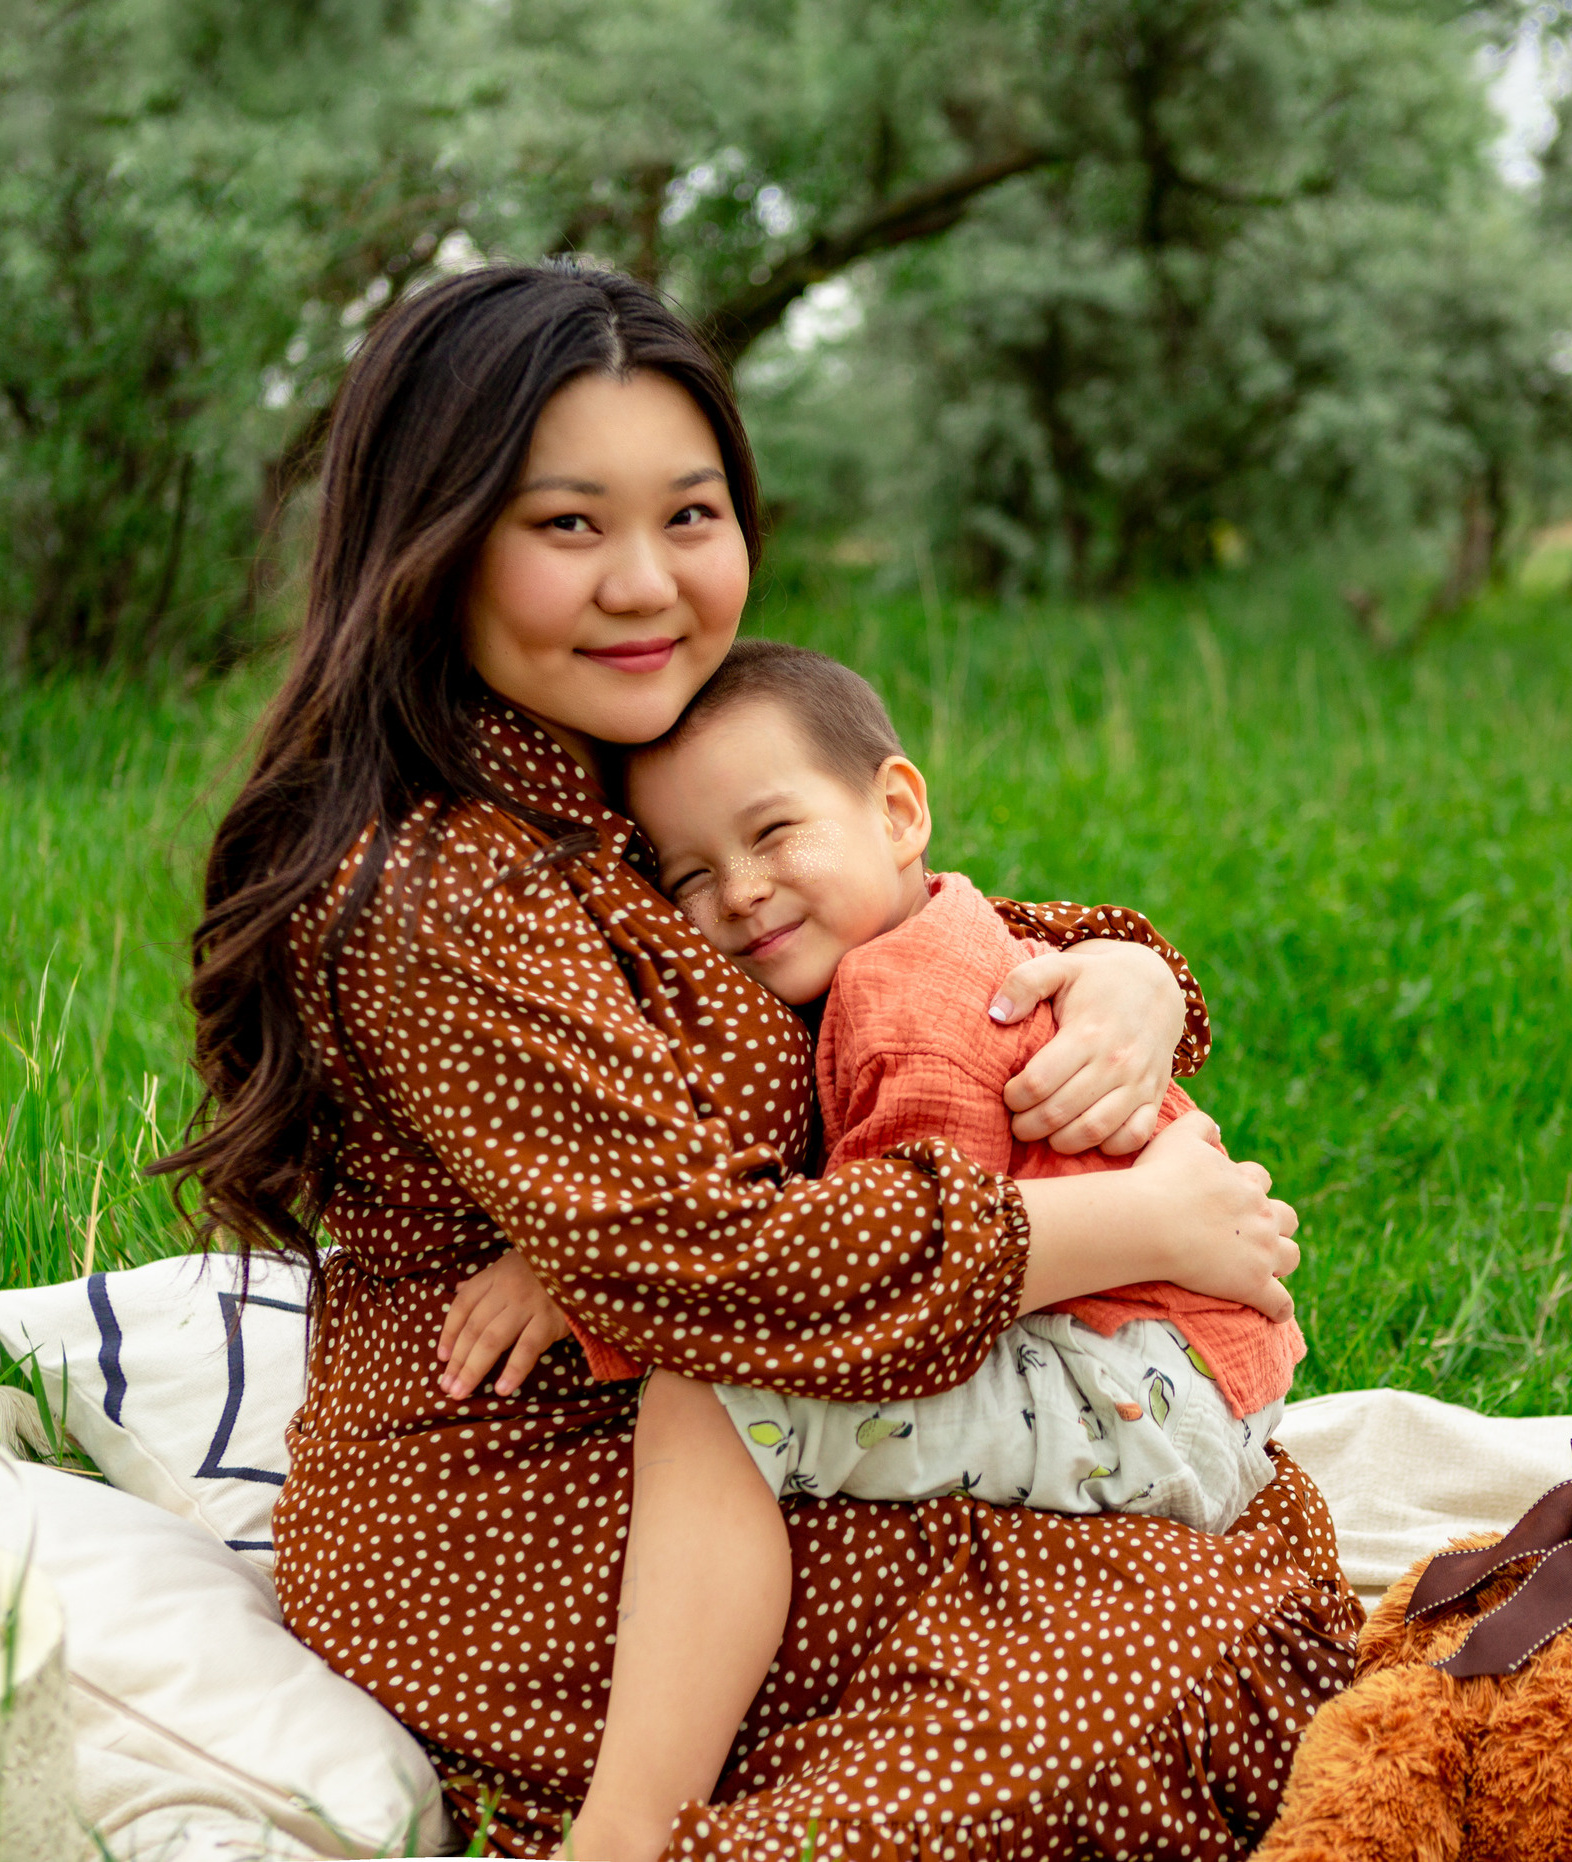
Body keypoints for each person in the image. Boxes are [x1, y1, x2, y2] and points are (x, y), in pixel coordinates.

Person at [156, 262, 1361, 1859]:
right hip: (526, 1513)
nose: (644, 583)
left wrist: (1128, 973)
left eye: (691, 514)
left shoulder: (618, 762)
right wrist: (1119, 1228)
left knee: (1227, 1577)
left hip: (741, 1423)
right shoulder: (441, 887)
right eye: (567, 523)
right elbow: (699, 1262)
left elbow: (887, 934)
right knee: (1160, 1649)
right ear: (433, 540)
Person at [440, 638, 1316, 1862]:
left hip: (1133, 1383)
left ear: (897, 809)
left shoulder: (896, 1001)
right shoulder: (948, 927)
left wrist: (609, 1284)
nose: (740, 891)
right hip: (1188, 1367)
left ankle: (623, 1826)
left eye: (772, 833)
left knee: (710, 1398)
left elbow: (881, 1280)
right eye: (689, 875)